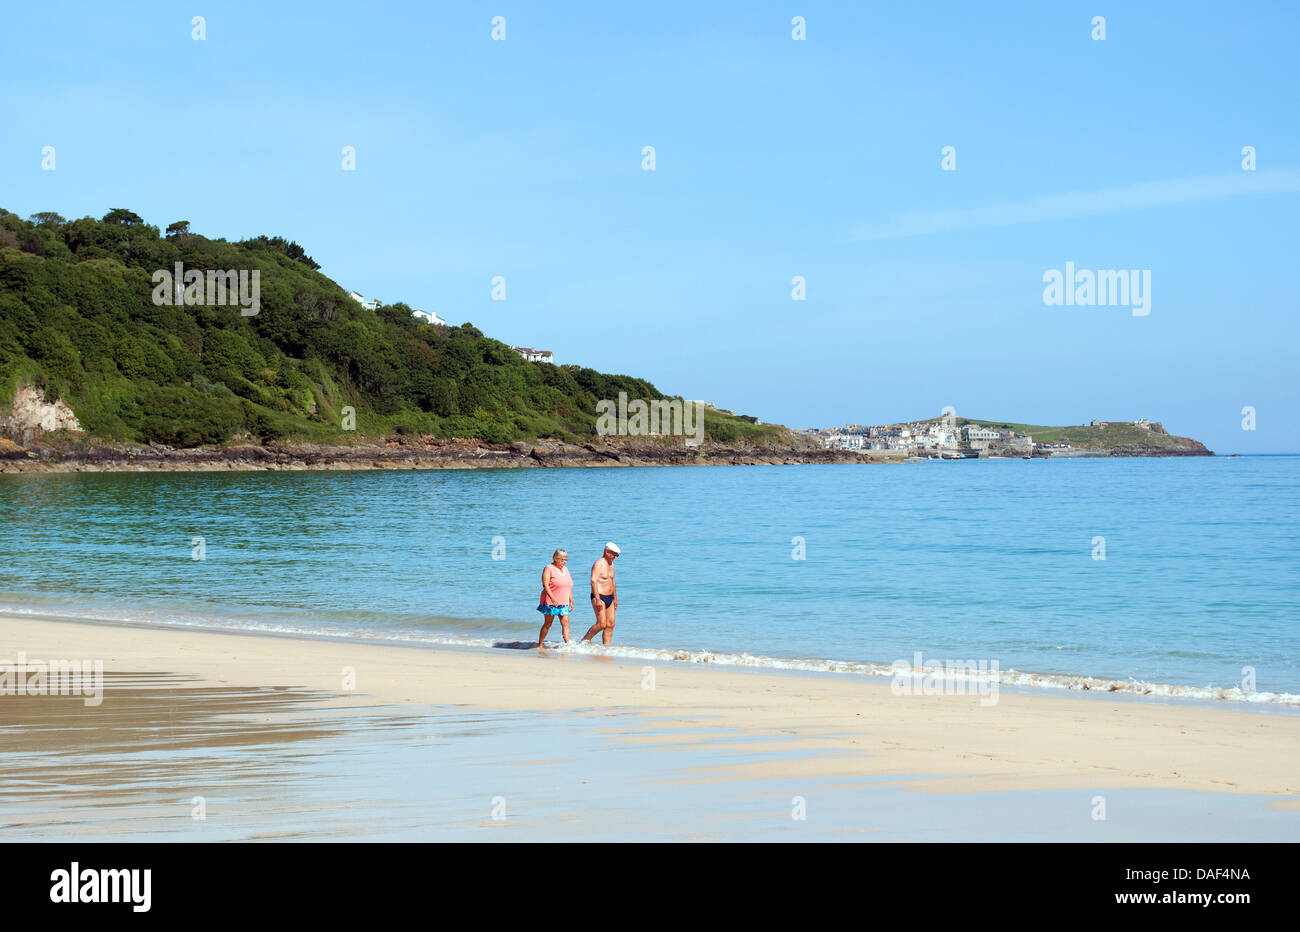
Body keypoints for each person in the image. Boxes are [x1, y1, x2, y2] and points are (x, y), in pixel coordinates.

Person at [581, 542, 620, 644]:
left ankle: (606, 648)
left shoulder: (612, 565)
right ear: (606, 552)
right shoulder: (598, 563)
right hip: (599, 596)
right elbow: (593, 581)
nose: (615, 557)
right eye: (613, 554)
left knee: (611, 624)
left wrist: (615, 598)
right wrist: (597, 599)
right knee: (601, 624)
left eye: (617, 555)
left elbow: (613, 581)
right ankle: (584, 641)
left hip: (610, 597)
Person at [536, 549, 574, 647]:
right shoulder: (549, 568)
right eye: (562, 559)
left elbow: (568, 585)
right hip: (550, 601)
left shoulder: (565, 569)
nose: (564, 562)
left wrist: (571, 600)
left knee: (565, 623)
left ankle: (568, 645)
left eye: (566, 560)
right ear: (555, 558)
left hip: (564, 601)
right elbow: (545, 584)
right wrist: (552, 598)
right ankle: (540, 644)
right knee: (548, 624)